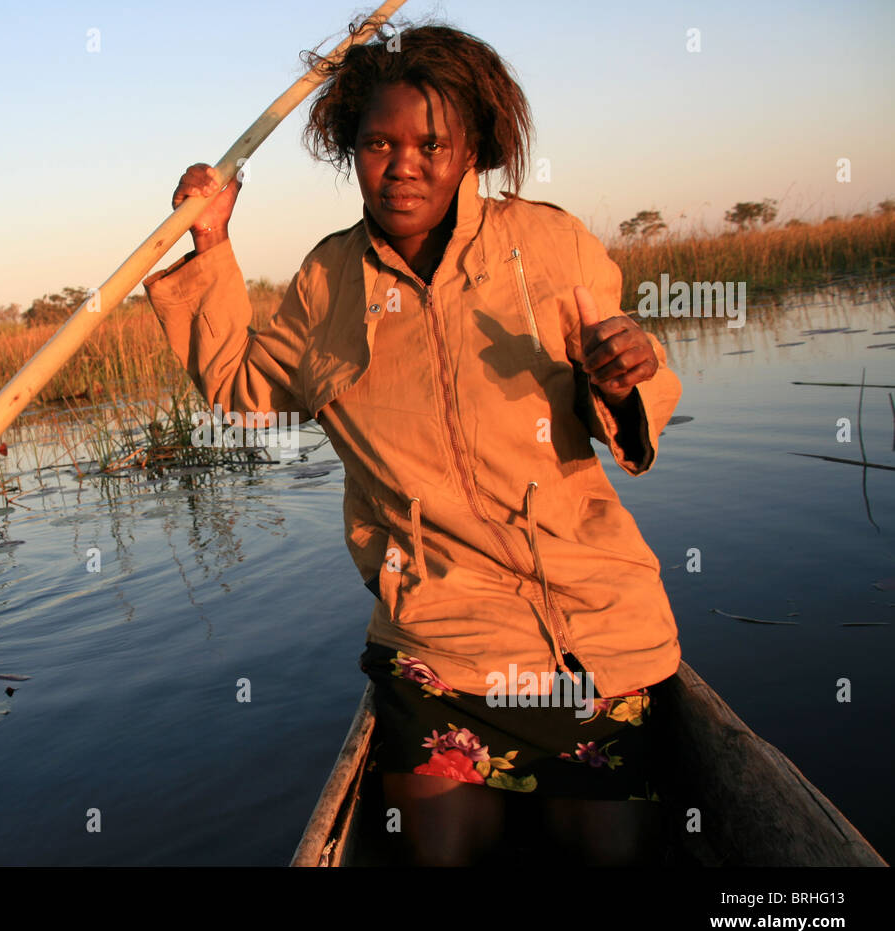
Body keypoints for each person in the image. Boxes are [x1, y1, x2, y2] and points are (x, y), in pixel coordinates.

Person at [142, 21, 683, 866]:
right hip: (439, 635)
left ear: (474, 149)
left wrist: (625, 376)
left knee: (610, 852)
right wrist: (209, 244)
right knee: (434, 854)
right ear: (351, 151)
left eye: (432, 142)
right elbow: (246, 394)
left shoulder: (547, 243)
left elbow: (630, 397)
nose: (405, 164)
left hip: (595, 622)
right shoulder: (328, 281)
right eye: (379, 143)